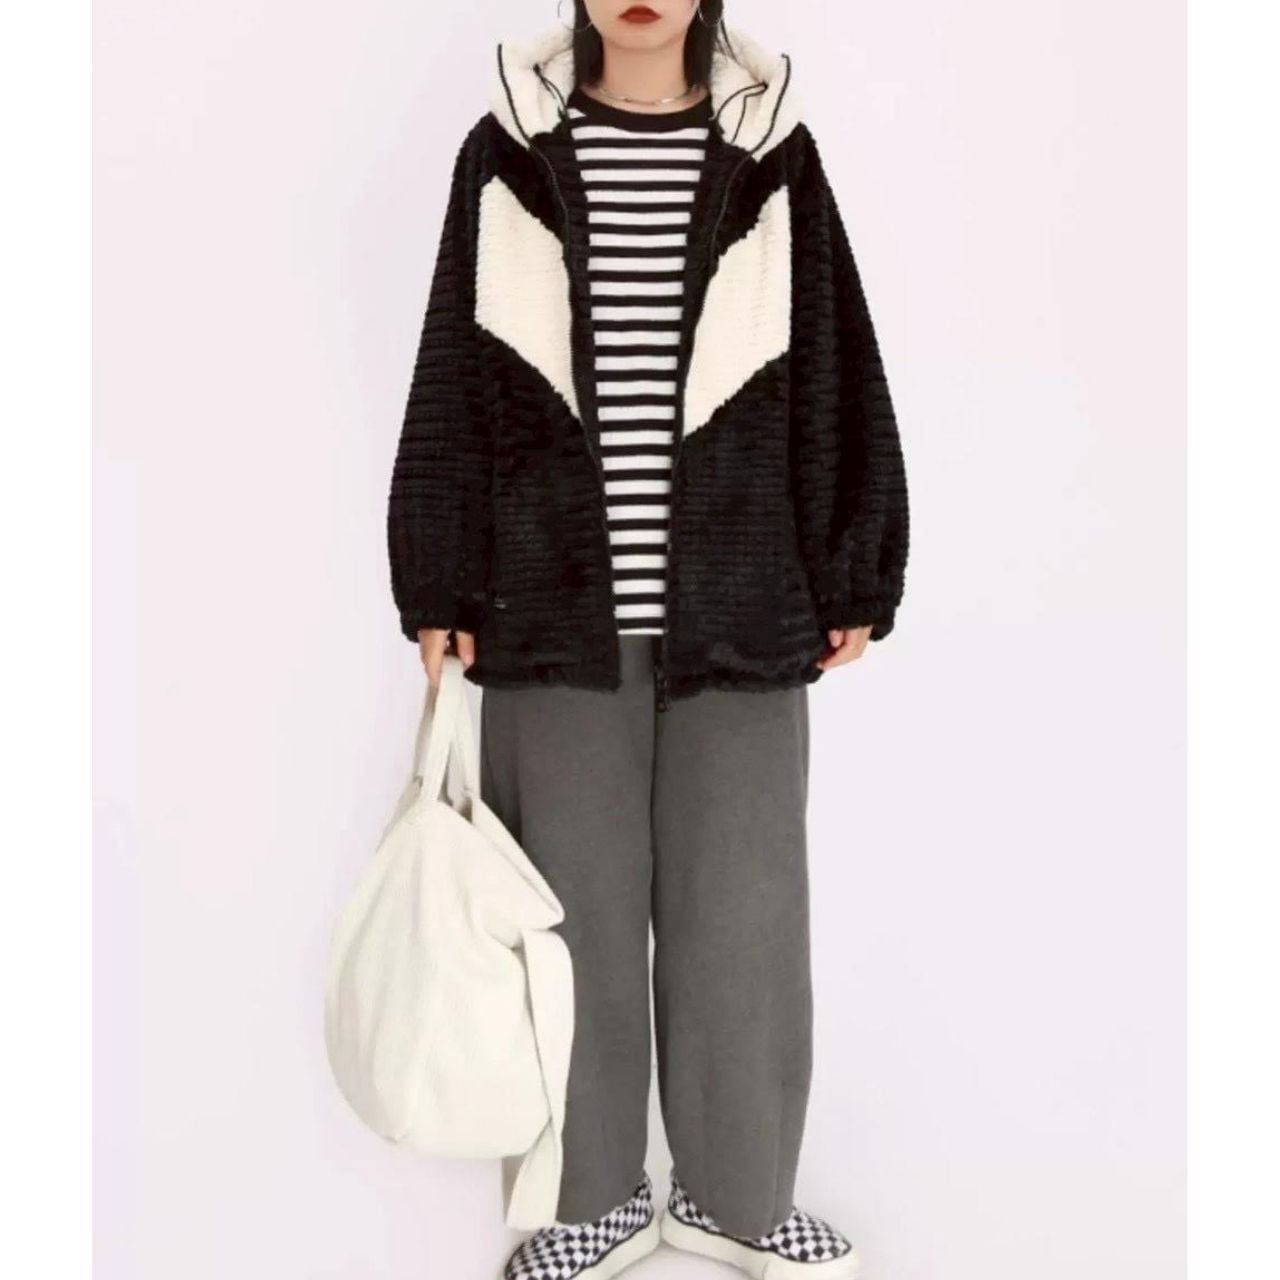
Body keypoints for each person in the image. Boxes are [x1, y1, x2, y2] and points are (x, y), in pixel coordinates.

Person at [387, 2, 909, 1276]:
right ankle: (590, 1202)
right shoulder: (505, 150)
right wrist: (439, 571)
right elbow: (453, 367)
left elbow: (833, 357)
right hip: (549, 610)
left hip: (738, 607)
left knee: (744, 916)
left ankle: (735, 1198)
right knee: (569, 923)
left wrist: (852, 560)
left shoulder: (772, 150)